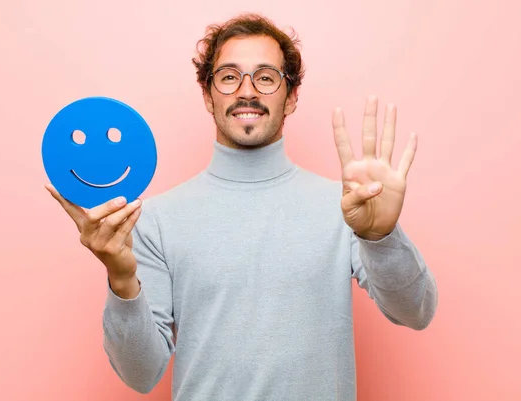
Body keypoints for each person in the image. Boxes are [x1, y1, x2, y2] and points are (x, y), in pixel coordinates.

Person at [46, 13, 438, 401]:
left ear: (292, 97)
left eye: (266, 77)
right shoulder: (155, 220)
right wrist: (121, 277)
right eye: (229, 77)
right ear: (207, 94)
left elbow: (415, 312)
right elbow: (141, 374)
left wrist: (382, 237)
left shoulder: (347, 208)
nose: (246, 91)